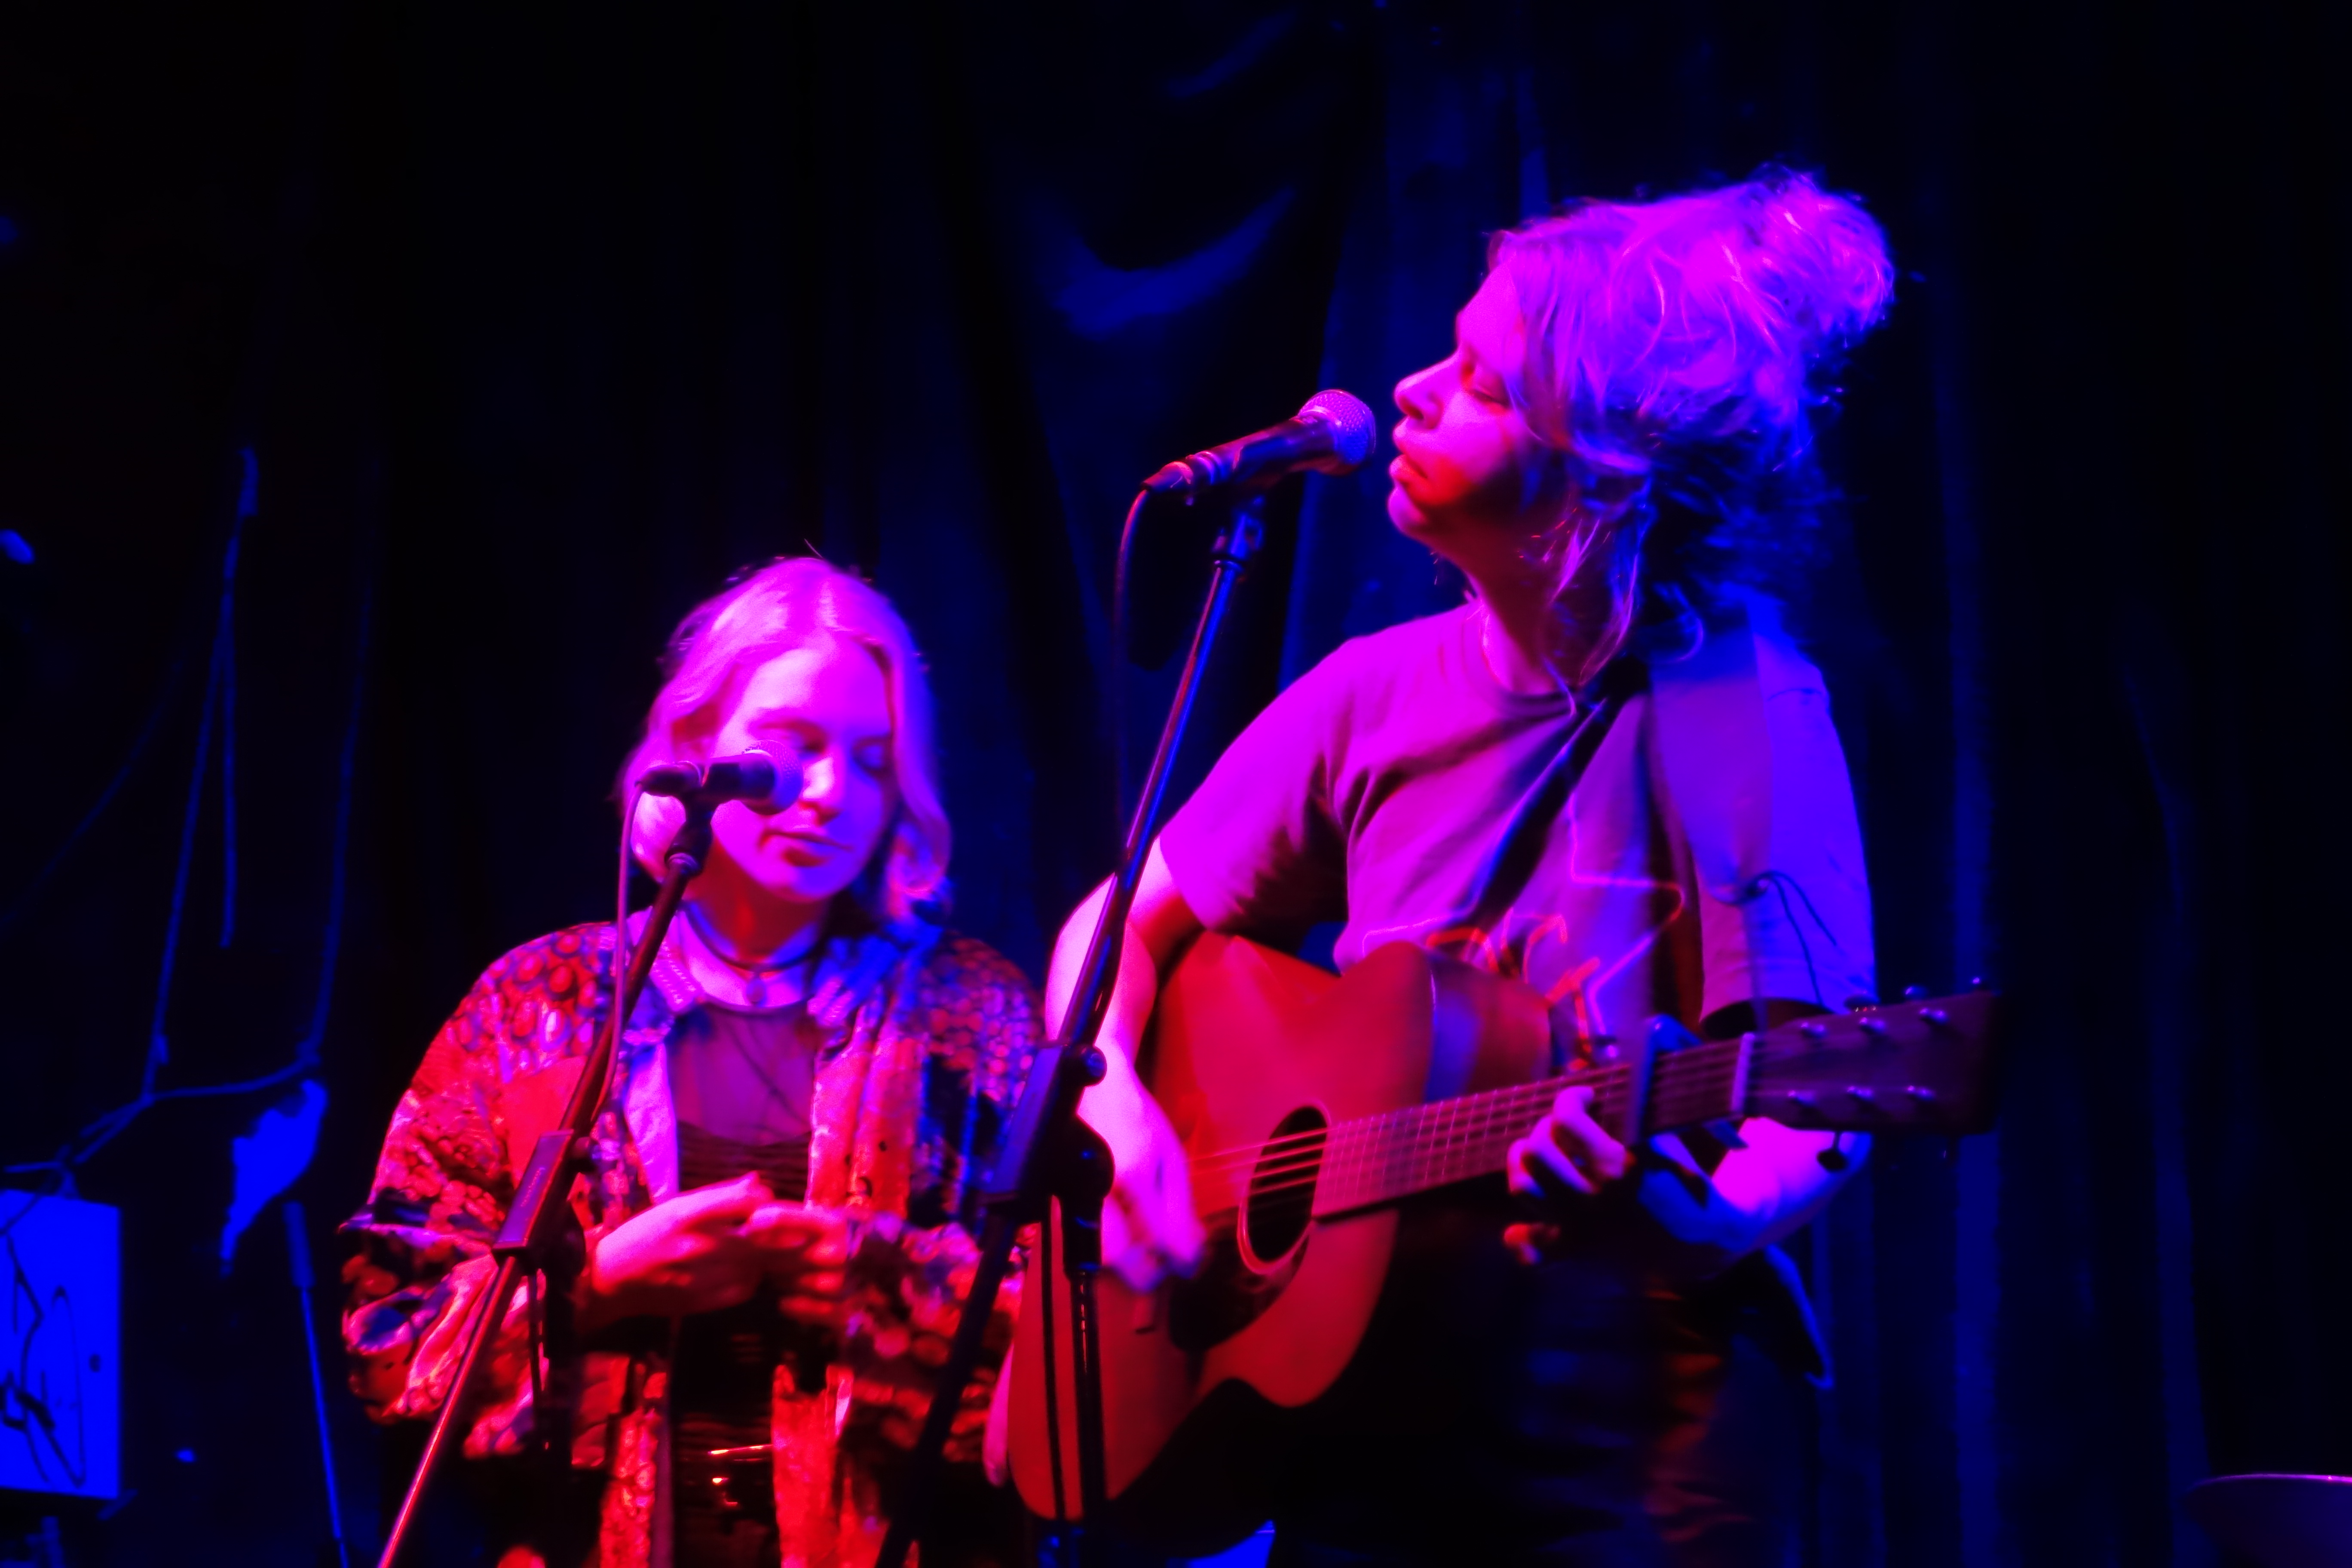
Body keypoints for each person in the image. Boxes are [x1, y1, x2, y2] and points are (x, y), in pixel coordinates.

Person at [1053, 170, 1894, 1565]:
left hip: (1627, 1433)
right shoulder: (1368, 695)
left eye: (1485, 384)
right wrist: (1124, 1114)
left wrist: (1695, 1223)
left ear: (1603, 475)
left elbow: (1819, 1104)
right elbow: (1117, 923)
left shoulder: (1740, 705)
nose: (1412, 389)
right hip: (1371, 1419)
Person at [343, 558, 1040, 1568]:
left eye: (873, 761)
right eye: (790, 747)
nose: (829, 793)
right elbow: (387, 1339)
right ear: (693, 749)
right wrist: (597, 1285)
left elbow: (1080, 1349)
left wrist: (882, 1282)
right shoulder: (540, 1007)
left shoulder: (970, 1017)